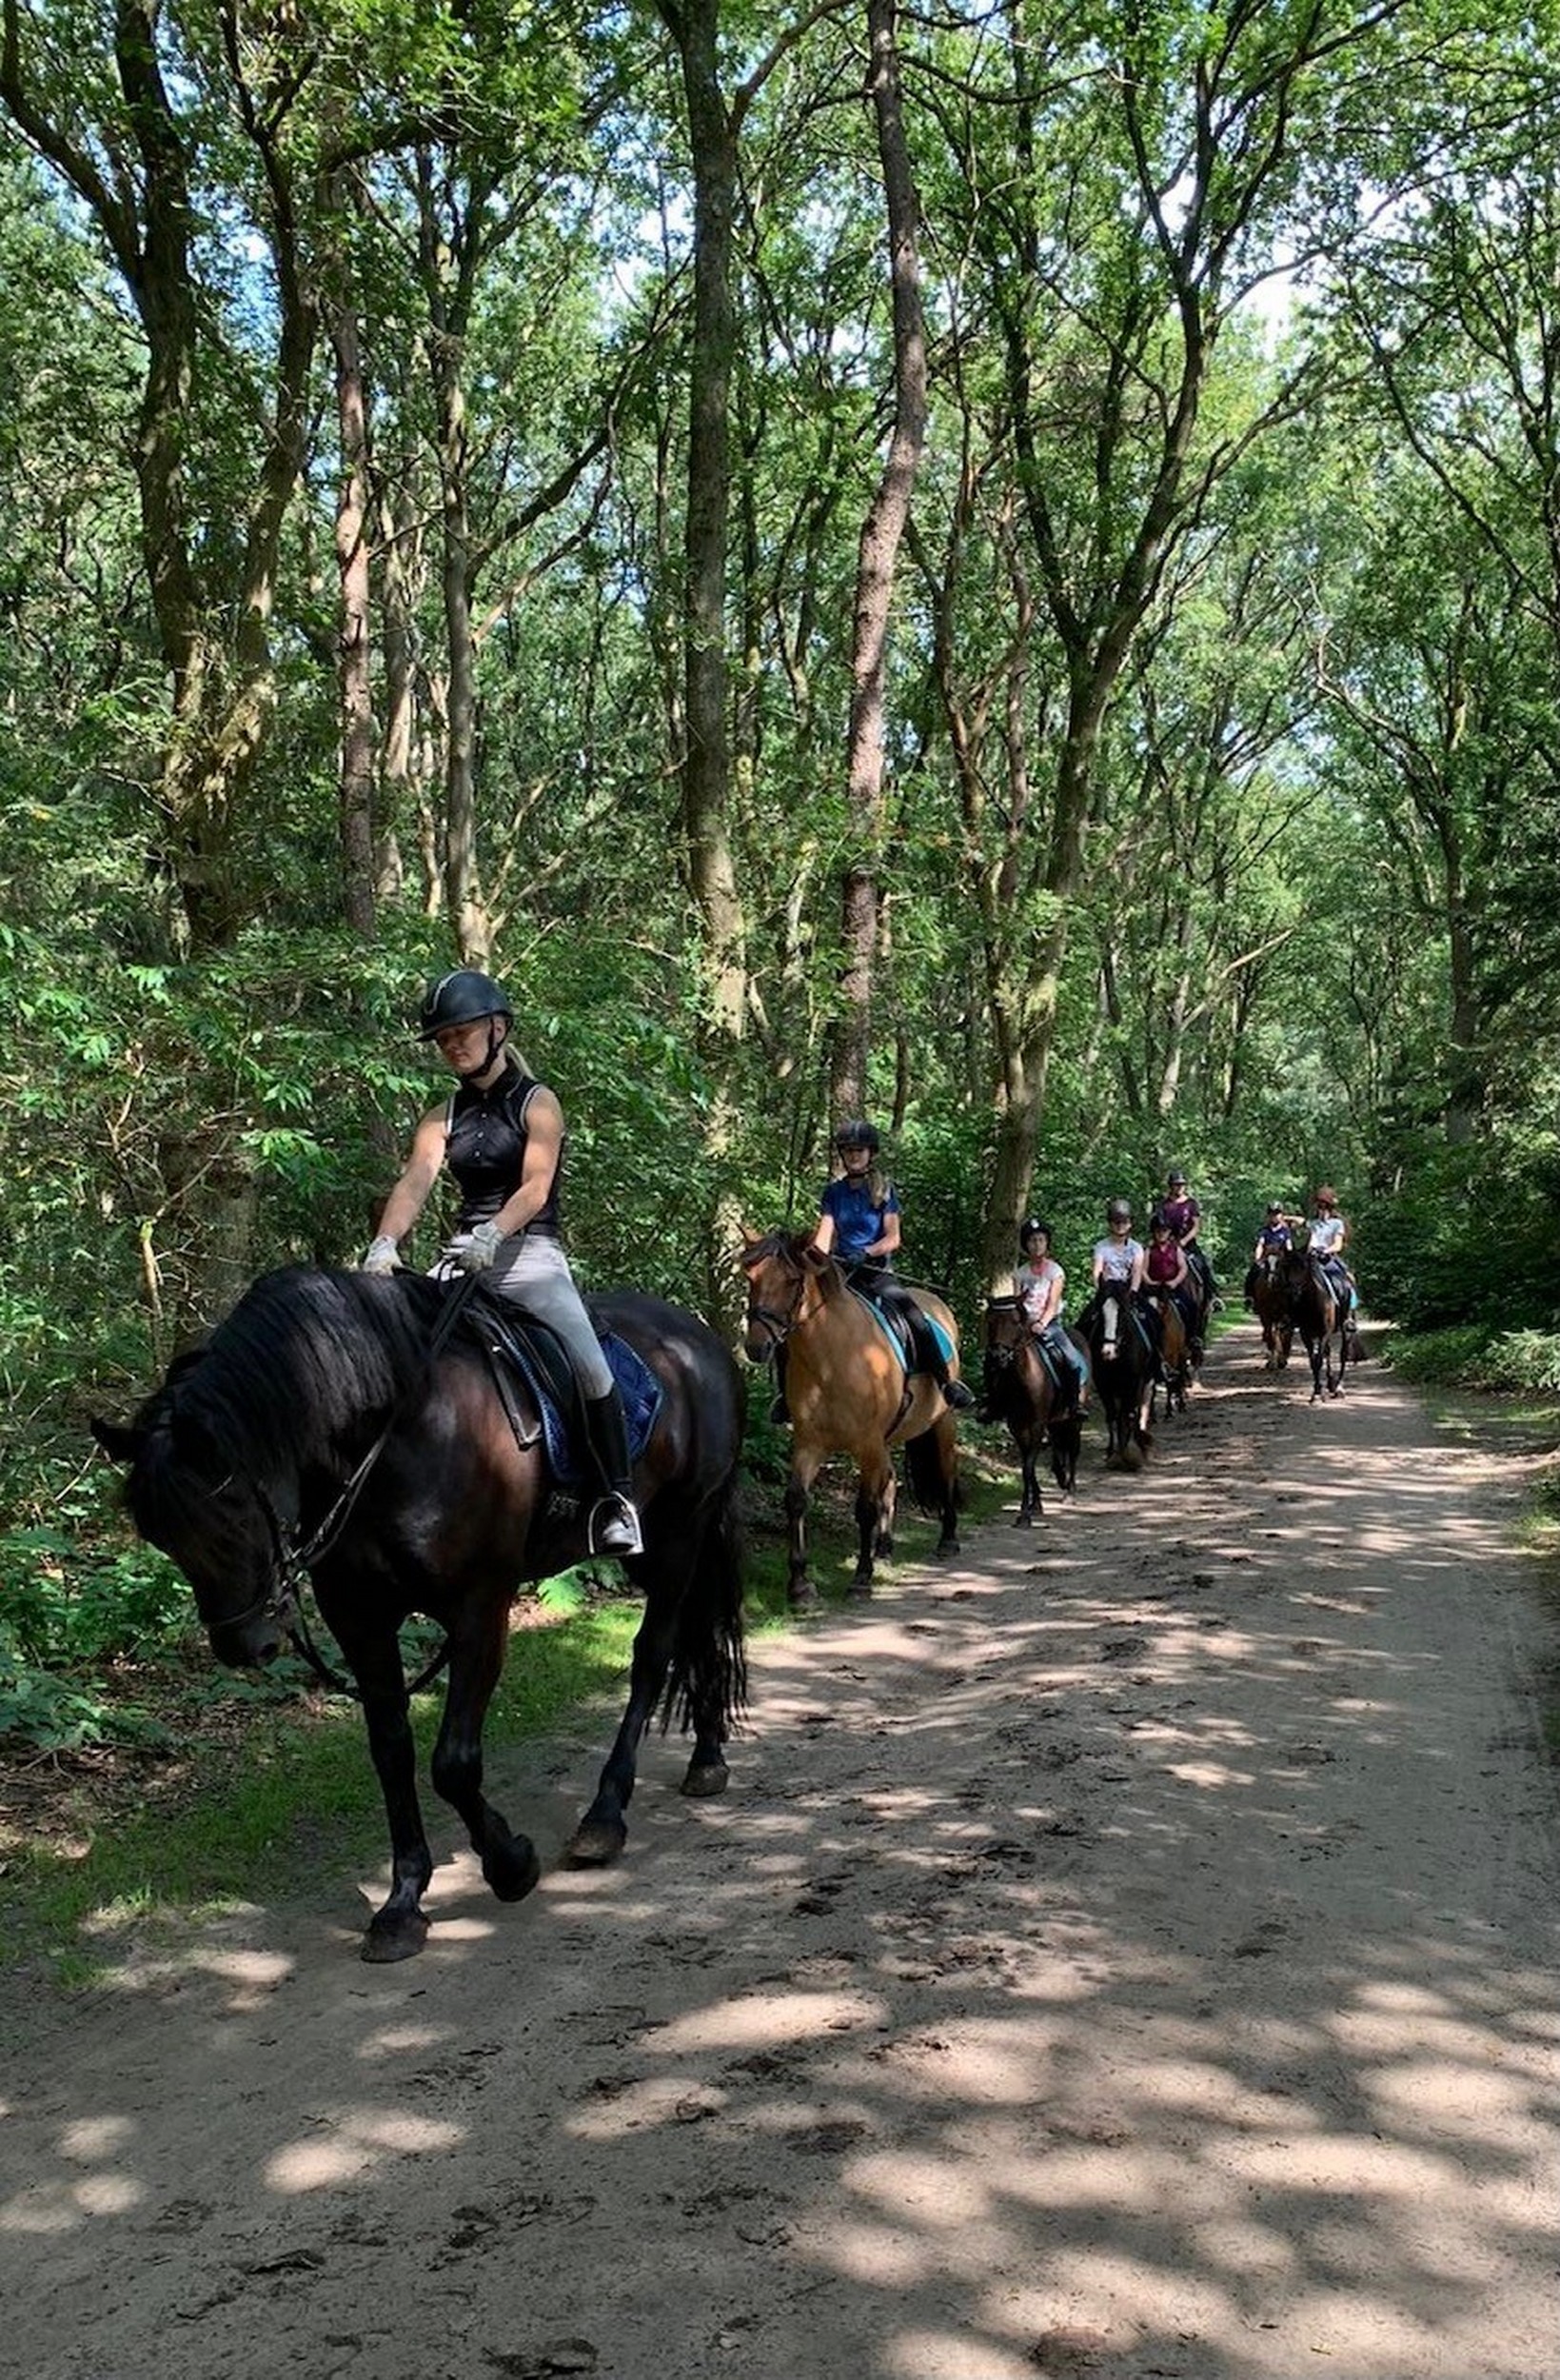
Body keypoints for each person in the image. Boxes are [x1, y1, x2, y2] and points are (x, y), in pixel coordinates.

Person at [360, 967, 643, 1556]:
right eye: (443, 1038)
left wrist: (493, 1232)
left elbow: (536, 1187)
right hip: (464, 1259)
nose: (452, 1045)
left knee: (592, 1368)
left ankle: (616, 1501)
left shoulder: (539, 1103)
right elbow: (416, 1181)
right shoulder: (441, 1115)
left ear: (497, 1028)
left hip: (529, 1257)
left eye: (461, 1032)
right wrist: (385, 1244)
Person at [771, 1120, 974, 1419]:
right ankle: (786, 1395)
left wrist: (865, 1252)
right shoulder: (833, 1192)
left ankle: (946, 1382)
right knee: (790, 1320)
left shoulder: (883, 1190)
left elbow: (893, 1238)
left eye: (859, 1150)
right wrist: (807, 1257)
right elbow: (824, 1238)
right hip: (839, 1273)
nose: (854, 1155)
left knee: (914, 1317)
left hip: (876, 1273)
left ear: (870, 1154)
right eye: (848, 1150)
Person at [1012, 1219, 1090, 1407]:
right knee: (999, 1356)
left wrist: (1042, 1323)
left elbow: (1053, 1303)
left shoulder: (1055, 1271)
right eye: (1032, 1241)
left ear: (1047, 1243)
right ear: (1026, 1245)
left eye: (1041, 1240)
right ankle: (994, 1403)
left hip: (1049, 1324)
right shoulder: (1020, 1273)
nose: (1037, 1245)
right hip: (1024, 1325)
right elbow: (1017, 1302)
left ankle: (1074, 1402)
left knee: (1072, 1359)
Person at [1155, 1165, 1214, 1354]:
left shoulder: (1191, 1204)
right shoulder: (1163, 1205)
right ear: (1170, 1186)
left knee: (1202, 1265)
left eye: (1181, 1184)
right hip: (1167, 1244)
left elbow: (1196, 1226)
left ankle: (1212, 1297)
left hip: (1188, 1245)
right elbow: (1158, 1226)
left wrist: (1183, 1241)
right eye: (1175, 1184)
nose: (1179, 1187)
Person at [1306, 1184, 1361, 1350]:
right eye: (1319, 1206)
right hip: (1314, 1258)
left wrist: (1325, 1250)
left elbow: (1338, 1244)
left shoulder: (1337, 1224)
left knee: (1347, 1281)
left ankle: (1348, 1316)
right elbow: (1312, 1240)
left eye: (1323, 1206)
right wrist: (1311, 1249)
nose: (1320, 1209)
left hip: (1329, 1259)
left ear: (1329, 1207)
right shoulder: (1314, 1224)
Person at [1143, 1211, 1198, 1364]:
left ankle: (1191, 1339)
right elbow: (1143, 1270)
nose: (1161, 1234)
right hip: (1154, 1290)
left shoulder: (1176, 1250)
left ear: (1169, 1232)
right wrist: (1149, 1282)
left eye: (1164, 1231)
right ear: (1154, 1233)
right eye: (1158, 1231)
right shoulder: (1148, 1251)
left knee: (1190, 1306)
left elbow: (1183, 1268)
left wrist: (1175, 1281)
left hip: (1172, 1289)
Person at [1244, 1200, 1295, 1306]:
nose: (1274, 1216)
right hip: (1267, 1258)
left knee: (1292, 1276)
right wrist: (1258, 1259)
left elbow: (1289, 1246)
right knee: (1253, 1271)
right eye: (1272, 1214)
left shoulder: (1285, 1231)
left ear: (1281, 1215)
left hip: (1281, 1259)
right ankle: (1249, 1297)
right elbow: (1260, 1245)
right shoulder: (1264, 1231)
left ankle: (1293, 1299)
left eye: (1277, 1213)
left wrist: (1289, 1258)